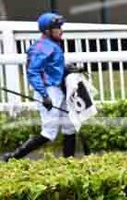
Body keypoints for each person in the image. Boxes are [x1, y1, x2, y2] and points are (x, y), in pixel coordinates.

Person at [4, 13, 81, 162]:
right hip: (48, 91)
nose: (61, 30)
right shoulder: (42, 47)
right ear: (47, 31)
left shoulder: (53, 44)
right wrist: (44, 95)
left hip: (59, 89)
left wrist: (67, 69)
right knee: (49, 132)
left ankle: (69, 163)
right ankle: (12, 157)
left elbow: (51, 67)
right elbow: (33, 72)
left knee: (69, 125)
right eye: (57, 28)